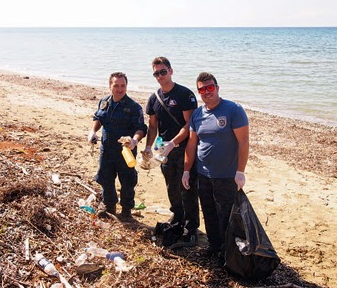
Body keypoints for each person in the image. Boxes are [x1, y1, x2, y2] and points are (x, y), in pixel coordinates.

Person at [182, 72, 249, 263]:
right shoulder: (198, 114)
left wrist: (240, 171)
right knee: (209, 212)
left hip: (227, 176)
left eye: (210, 87)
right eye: (202, 89)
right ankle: (214, 246)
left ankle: (229, 253)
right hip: (203, 174)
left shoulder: (233, 110)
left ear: (217, 88)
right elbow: (192, 144)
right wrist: (187, 170)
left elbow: (243, 143)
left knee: (226, 216)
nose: (206, 92)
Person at [143, 56, 200, 245]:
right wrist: (149, 147)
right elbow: (152, 126)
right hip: (164, 150)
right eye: (156, 73)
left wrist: (173, 143)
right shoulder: (154, 98)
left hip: (184, 147)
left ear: (171, 71)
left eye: (163, 72)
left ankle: (191, 229)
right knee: (171, 185)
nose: (159, 76)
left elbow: (189, 125)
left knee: (187, 187)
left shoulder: (184, 94)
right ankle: (178, 216)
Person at [88, 72, 147, 220]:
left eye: (123, 86)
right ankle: (109, 206)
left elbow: (141, 128)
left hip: (126, 152)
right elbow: (98, 118)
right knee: (105, 178)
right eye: (116, 86)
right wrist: (93, 131)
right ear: (110, 86)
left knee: (127, 181)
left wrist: (134, 140)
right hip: (106, 149)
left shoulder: (134, 107)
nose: (120, 89)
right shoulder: (104, 102)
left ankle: (126, 210)